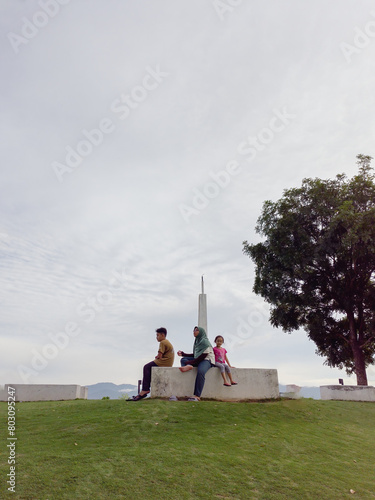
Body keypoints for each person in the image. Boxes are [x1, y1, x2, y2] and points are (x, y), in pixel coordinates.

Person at [130, 327, 174, 401]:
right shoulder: (167, 342)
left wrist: (157, 357)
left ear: (162, 335)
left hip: (164, 362)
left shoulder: (162, 342)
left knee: (146, 367)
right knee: (149, 367)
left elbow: (159, 355)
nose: (156, 337)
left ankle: (145, 389)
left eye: (158, 335)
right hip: (168, 363)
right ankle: (146, 388)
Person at [177, 326, 215, 401]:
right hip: (198, 359)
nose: (194, 331)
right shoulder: (197, 341)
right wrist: (183, 354)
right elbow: (195, 354)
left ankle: (197, 395)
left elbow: (203, 355)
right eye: (194, 330)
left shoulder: (205, 341)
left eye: (196, 330)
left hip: (207, 360)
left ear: (201, 332)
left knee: (201, 371)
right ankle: (188, 366)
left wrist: (191, 362)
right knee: (183, 360)